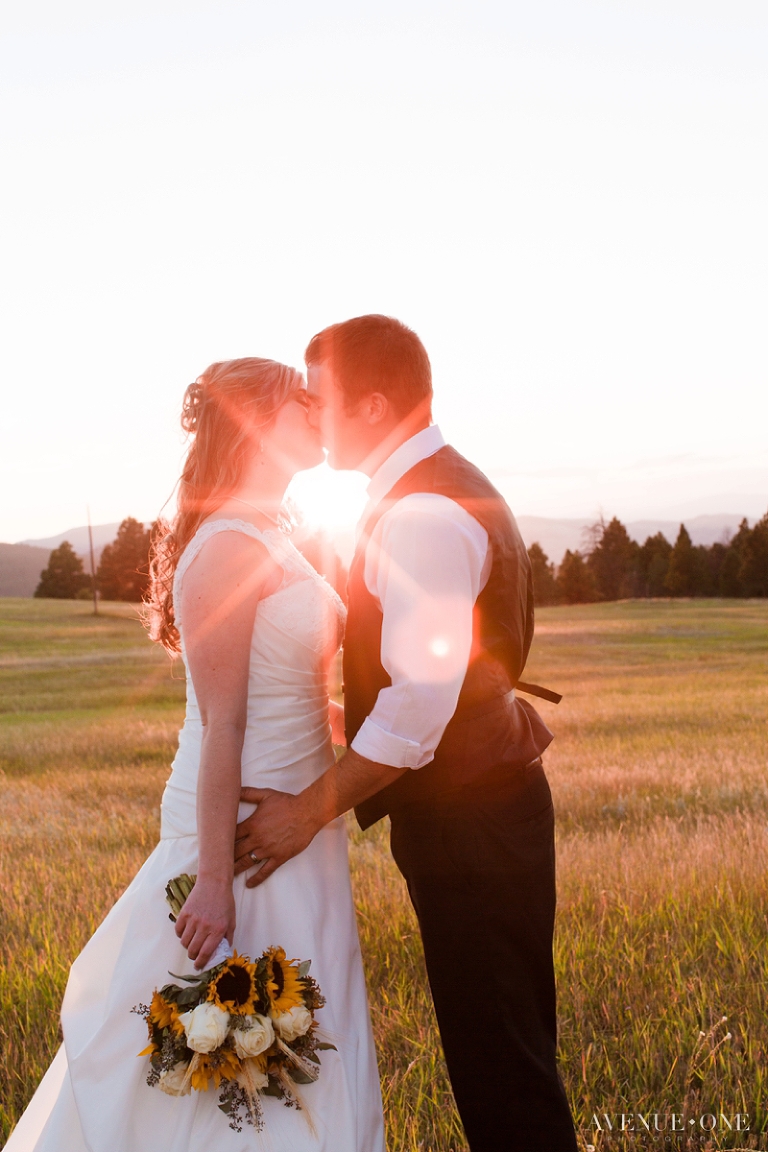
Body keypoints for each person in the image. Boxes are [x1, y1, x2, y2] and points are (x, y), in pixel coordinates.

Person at [5, 357, 385, 1152]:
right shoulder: (226, 548)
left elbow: (294, 691)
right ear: (252, 424)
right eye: (298, 403)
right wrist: (213, 882)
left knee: (307, 1048)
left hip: (300, 832)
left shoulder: (279, 530)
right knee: (220, 1073)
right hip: (241, 840)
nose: (317, 413)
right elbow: (223, 725)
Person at [233, 317, 579, 1152]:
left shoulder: (420, 511)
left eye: (322, 401)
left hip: (473, 823)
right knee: (506, 1049)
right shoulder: (430, 486)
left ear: (376, 403)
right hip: (479, 808)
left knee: (501, 1063)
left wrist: (304, 811)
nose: (310, 417)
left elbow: (419, 708)